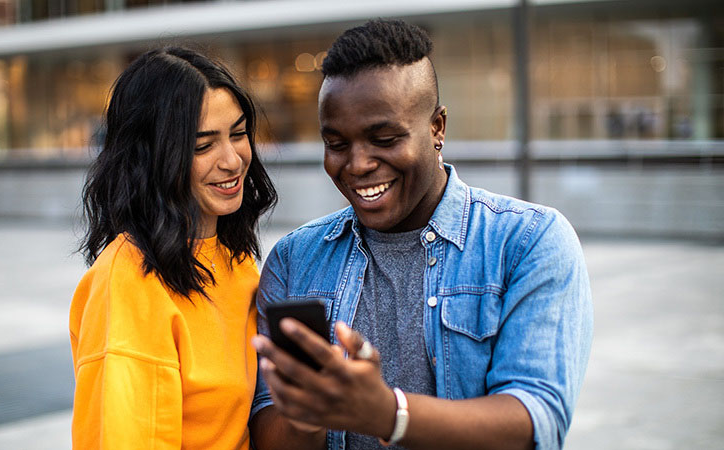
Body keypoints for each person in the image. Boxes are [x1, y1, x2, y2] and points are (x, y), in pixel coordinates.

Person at [249, 19, 593, 450]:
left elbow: (535, 422)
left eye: (385, 138)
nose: (357, 164)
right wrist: (311, 410)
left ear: (437, 128)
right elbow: (270, 438)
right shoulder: (294, 260)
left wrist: (386, 413)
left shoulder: (528, 242)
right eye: (336, 143)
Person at [70, 47, 276, 449]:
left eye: (237, 134)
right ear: (152, 157)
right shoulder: (128, 284)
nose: (233, 160)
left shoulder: (236, 260)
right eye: (203, 146)